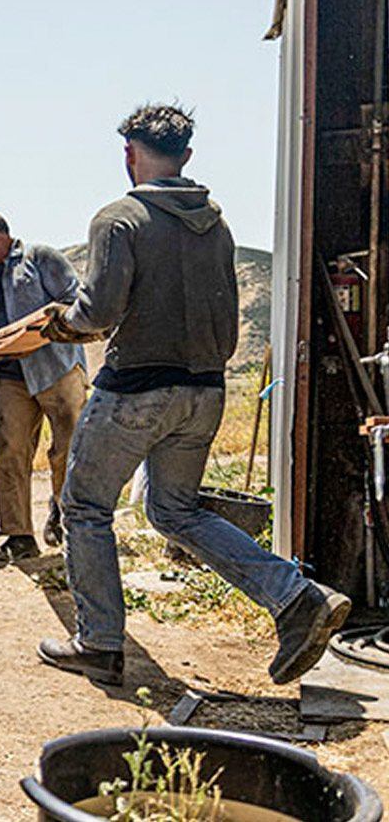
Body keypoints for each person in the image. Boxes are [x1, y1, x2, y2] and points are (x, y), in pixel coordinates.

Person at [38, 104, 349, 686]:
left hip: (134, 390)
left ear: (130, 155)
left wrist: (63, 322)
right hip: (204, 391)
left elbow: (99, 311)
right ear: (186, 156)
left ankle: (100, 643)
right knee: (174, 510)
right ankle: (295, 596)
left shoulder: (119, 218)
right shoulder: (218, 225)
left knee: (84, 507)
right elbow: (228, 322)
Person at [0, 211, 88, 559]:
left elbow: (74, 300)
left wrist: (38, 329)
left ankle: (67, 517)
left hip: (57, 370)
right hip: (11, 378)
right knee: (9, 453)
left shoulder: (41, 258)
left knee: (67, 451)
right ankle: (19, 536)